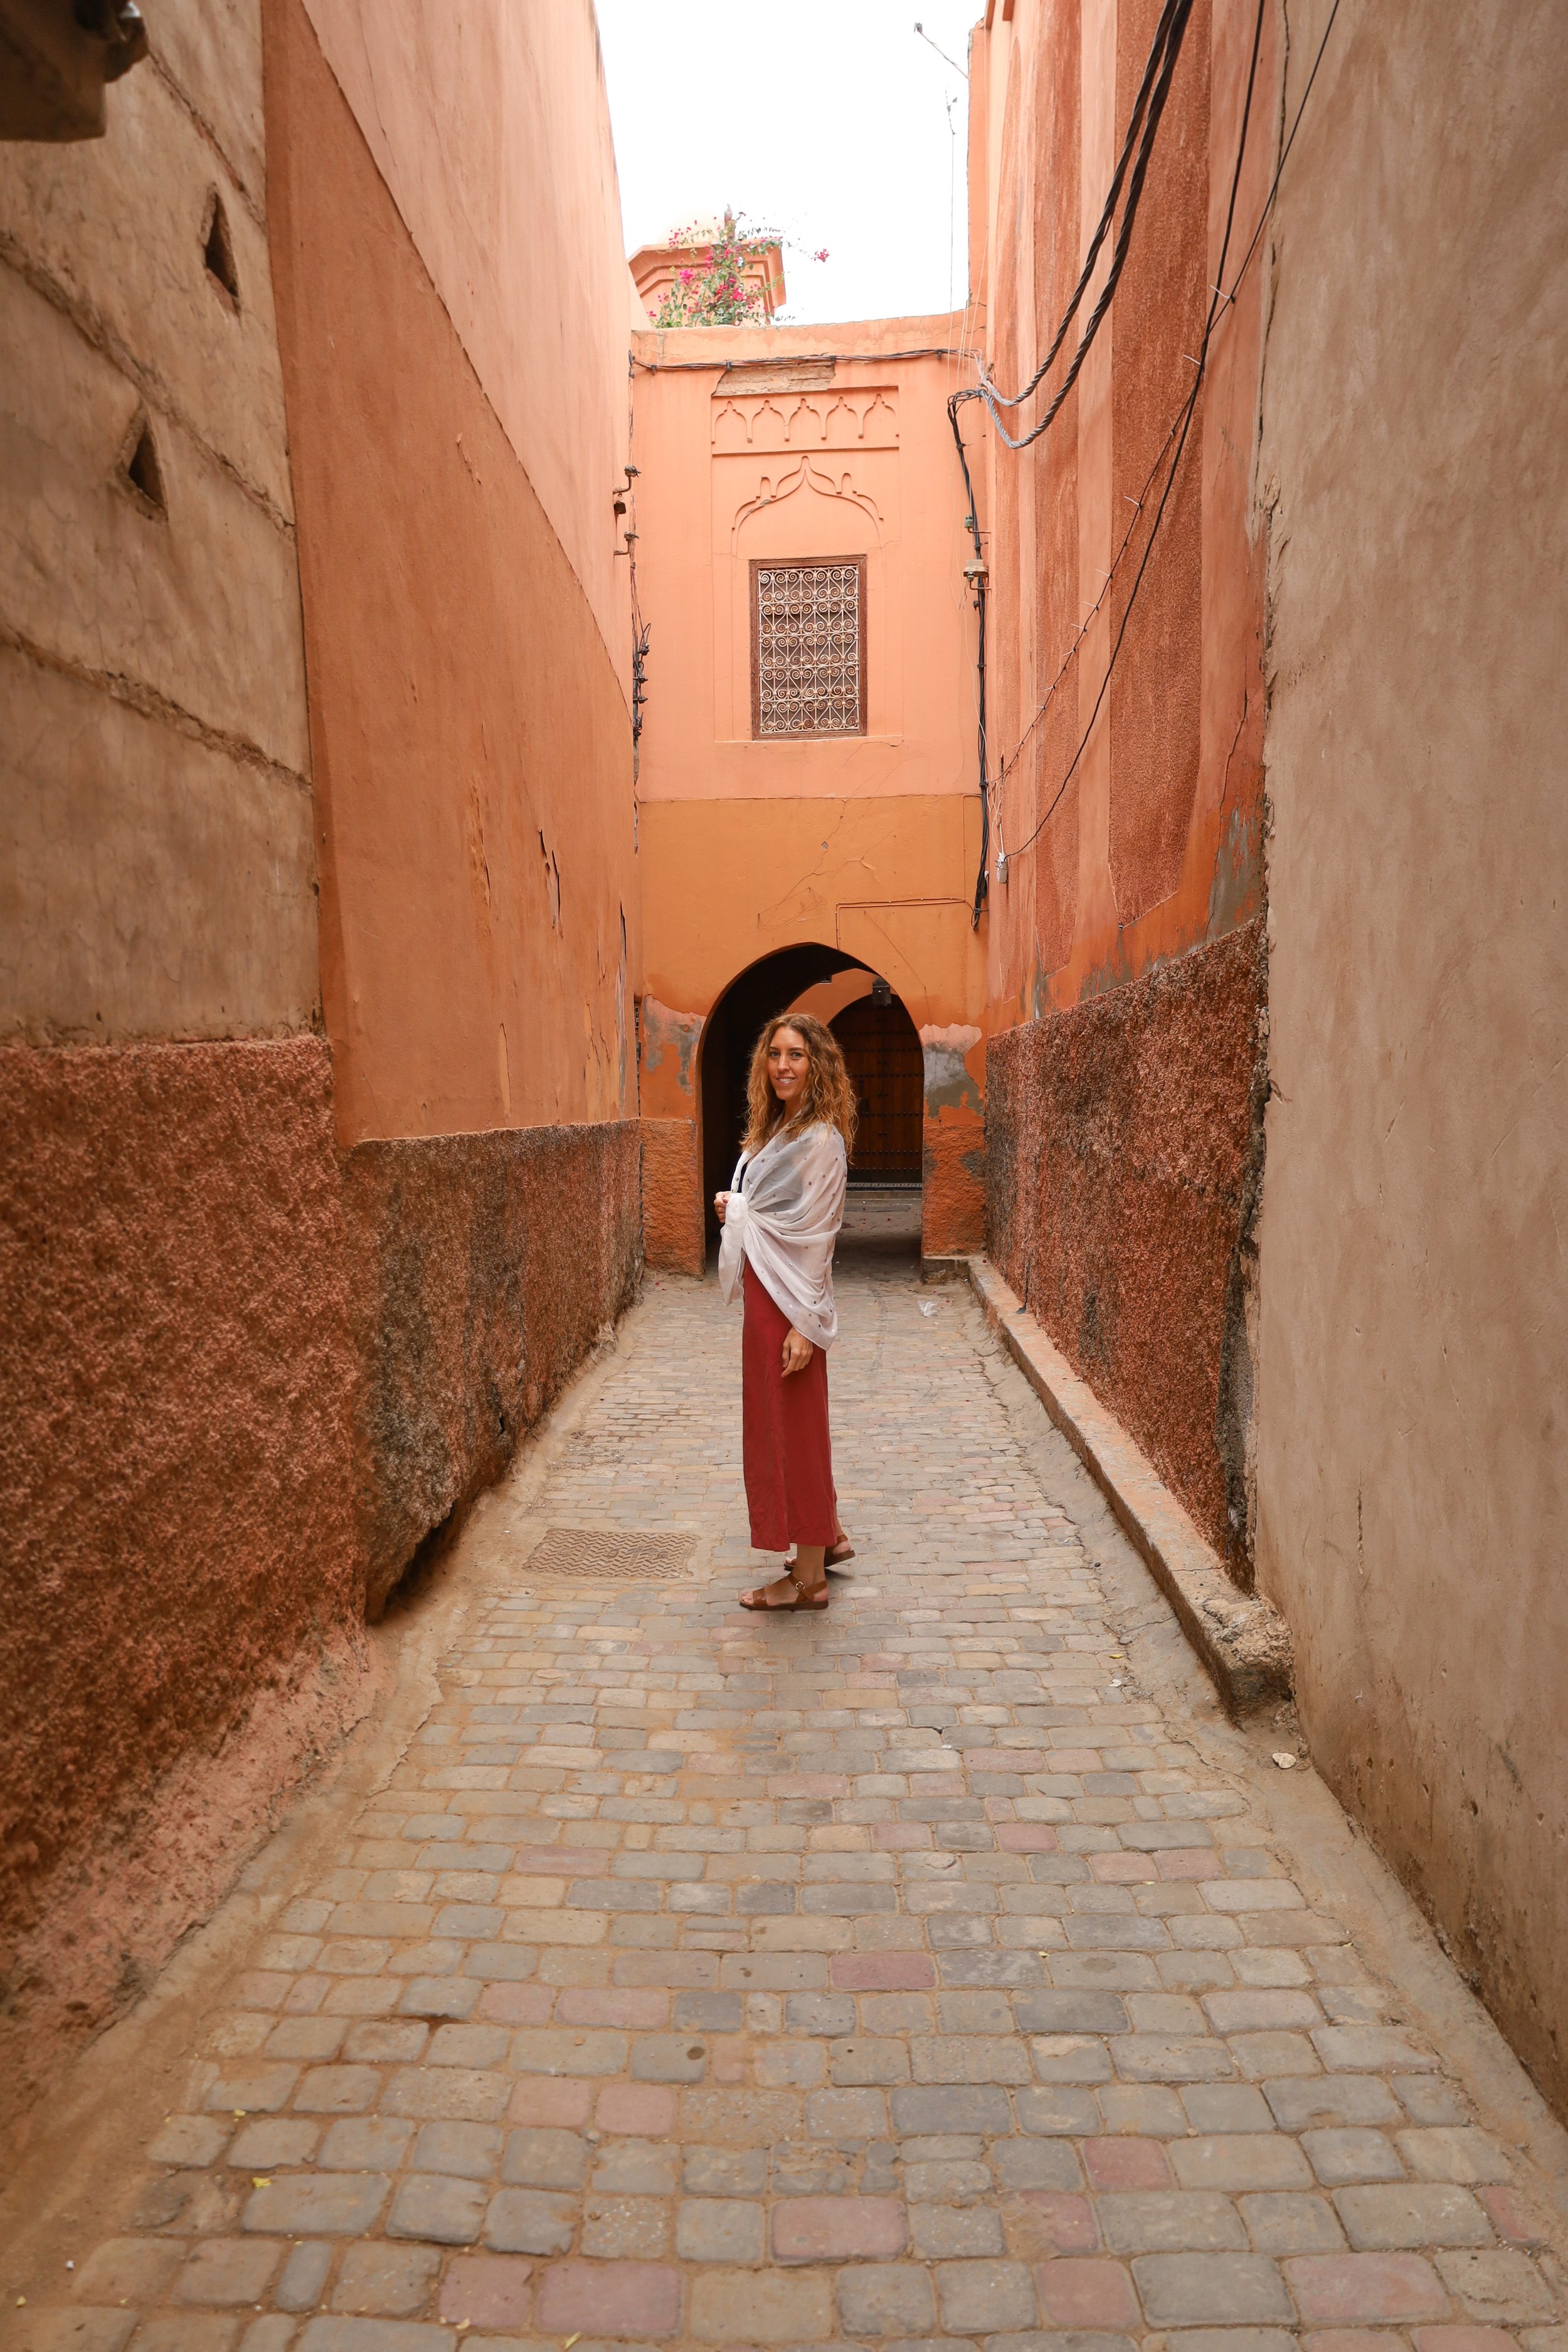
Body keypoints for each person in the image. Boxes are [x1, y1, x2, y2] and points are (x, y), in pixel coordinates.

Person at [715, 1014, 857, 1611]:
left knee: (791, 1431)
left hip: (790, 1304)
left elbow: (819, 1236)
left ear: (816, 1063)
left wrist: (804, 1324)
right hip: (765, 1296)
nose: (782, 1066)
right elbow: (776, 1211)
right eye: (774, 1054)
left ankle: (808, 1581)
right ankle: (825, 1537)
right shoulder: (781, 1126)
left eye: (796, 1055)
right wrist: (739, 1208)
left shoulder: (821, 1140)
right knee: (784, 1424)